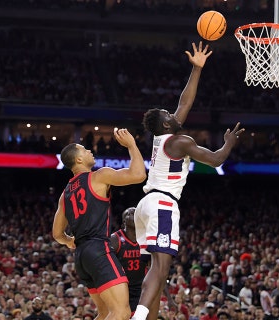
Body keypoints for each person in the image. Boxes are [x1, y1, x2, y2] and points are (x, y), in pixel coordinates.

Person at [131, 41, 244, 320]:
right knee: (160, 270)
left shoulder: (163, 136)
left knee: (157, 270)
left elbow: (185, 102)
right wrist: (228, 144)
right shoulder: (181, 141)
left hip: (146, 205)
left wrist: (196, 68)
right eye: (169, 115)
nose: (173, 113)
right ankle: (139, 317)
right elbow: (216, 160)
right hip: (162, 205)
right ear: (168, 124)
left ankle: (147, 316)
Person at [52, 128, 147, 320]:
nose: (90, 151)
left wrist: (70, 241)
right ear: (78, 160)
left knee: (105, 313)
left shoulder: (66, 193)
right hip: (98, 249)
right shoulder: (98, 176)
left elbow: (57, 234)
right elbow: (138, 174)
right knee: (121, 312)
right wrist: (132, 145)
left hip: (81, 256)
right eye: (85, 150)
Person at [110, 207, 148, 315]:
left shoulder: (145, 240)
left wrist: (168, 297)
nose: (135, 214)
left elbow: (155, 268)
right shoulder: (115, 239)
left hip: (140, 288)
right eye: (131, 213)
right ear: (124, 221)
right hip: (121, 289)